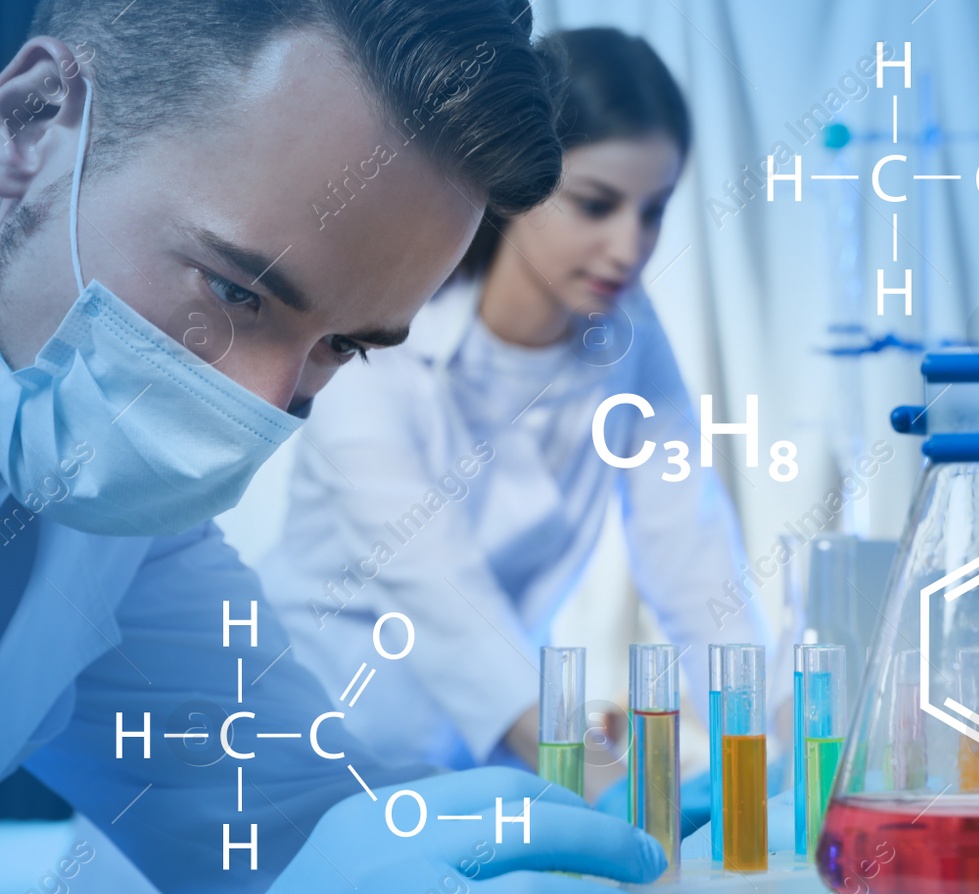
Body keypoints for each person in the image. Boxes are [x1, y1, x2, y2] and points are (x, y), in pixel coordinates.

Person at [0, 2, 666, 894]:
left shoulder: (116, 514)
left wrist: (601, 883)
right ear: (30, 126)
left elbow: (300, 828)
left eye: (340, 347)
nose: (269, 402)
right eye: (234, 290)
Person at [261, 27, 772, 777]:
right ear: (521, 181)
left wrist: (770, 746)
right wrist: (593, 773)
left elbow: (692, 556)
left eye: (653, 209)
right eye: (595, 205)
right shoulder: (383, 326)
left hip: (468, 760)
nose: (629, 247)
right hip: (302, 731)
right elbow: (438, 587)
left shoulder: (627, 333)